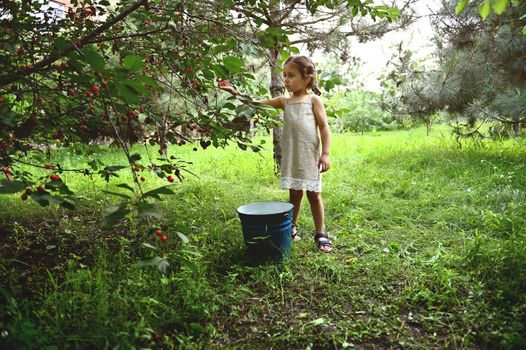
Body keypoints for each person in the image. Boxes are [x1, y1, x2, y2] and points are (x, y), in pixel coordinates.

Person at [218, 55, 332, 252]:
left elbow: (324, 128)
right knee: (294, 195)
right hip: (292, 156)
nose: (286, 80)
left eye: (292, 75)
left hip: (310, 156)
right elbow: (255, 103)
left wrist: (326, 153)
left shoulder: (314, 100)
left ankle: (320, 233)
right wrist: (234, 92)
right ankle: (291, 228)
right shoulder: (284, 101)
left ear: (307, 77)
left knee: (314, 195)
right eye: (284, 75)